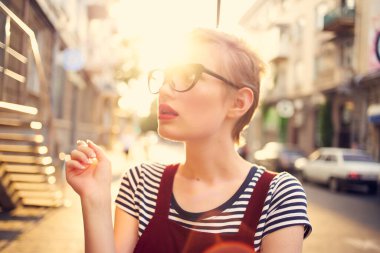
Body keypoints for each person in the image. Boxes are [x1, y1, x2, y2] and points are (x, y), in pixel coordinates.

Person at [66, 28, 312, 253]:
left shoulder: (276, 195)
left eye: (188, 75)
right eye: (166, 77)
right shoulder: (141, 183)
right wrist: (95, 200)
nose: (164, 90)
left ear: (238, 102)